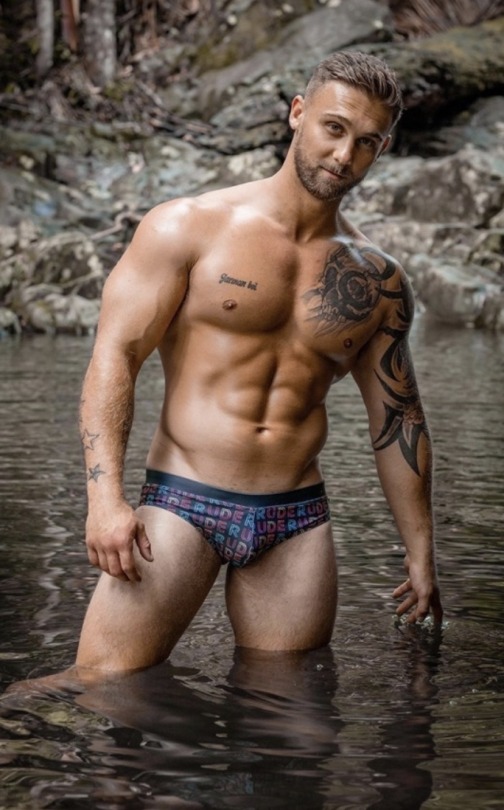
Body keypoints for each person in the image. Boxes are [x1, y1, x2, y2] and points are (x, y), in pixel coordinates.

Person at [76, 50, 443, 675]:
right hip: (183, 500)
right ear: (298, 113)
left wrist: (421, 550)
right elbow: (117, 356)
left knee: (289, 710)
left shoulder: (378, 281)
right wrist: (104, 500)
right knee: (103, 684)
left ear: (382, 149)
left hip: (296, 518)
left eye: (366, 142)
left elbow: (398, 421)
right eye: (333, 128)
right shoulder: (187, 228)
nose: (343, 155)